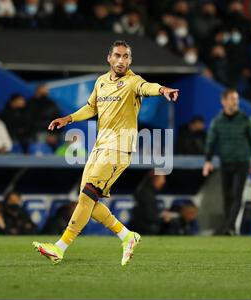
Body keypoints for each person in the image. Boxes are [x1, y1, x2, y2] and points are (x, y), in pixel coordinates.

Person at [32, 40, 179, 266]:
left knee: (88, 195)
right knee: (86, 199)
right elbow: (91, 108)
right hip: (100, 146)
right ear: (109, 58)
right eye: (117, 56)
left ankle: (59, 248)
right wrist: (68, 119)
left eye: (126, 57)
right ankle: (126, 235)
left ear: (130, 60)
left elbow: (147, 87)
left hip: (119, 148)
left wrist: (163, 90)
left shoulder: (133, 82)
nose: (121, 60)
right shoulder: (101, 82)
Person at [203, 88, 251, 236]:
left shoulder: (246, 119)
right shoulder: (218, 121)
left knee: (237, 195)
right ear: (223, 101)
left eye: (236, 99)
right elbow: (211, 142)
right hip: (226, 162)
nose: (235, 102)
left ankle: (229, 226)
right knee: (227, 196)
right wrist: (207, 161)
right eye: (232, 99)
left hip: (242, 162)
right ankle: (231, 227)